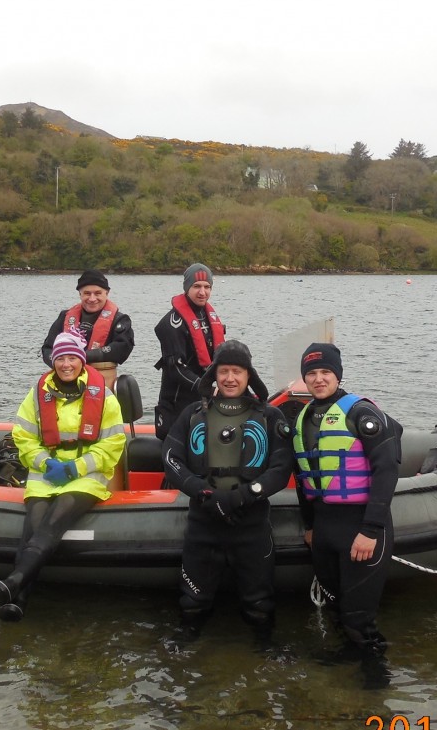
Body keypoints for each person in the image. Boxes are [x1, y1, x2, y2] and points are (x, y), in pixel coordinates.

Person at [162, 340, 294, 644]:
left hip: (250, 520)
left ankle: (263, 643)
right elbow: (171, 458)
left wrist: (244, 495)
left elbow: (280, 467)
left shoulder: (269, 416)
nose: (230, 378)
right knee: (193, 600)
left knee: (259, 603)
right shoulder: (194, 413)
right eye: (224, 371)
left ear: (249, 376)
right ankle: (188, 636)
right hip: (203, 519)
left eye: (237, 371)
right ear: (214, 375)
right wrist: (201, 491)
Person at [0, 330, 126, 622]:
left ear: (81, 360)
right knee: (35, 522)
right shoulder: (37, 394)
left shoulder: (104, 395)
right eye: (60, 358)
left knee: (56, 518)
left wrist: (74, 468)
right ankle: (17, 601)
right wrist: (45, 462)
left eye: (71, 358)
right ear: (53, 361)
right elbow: (24, 436)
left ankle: (15, 582)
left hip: (86, 471)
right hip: (46, 468)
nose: (66, 364)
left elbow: (113, 442)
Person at [292, 342, 402, 666]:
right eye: (311, 373)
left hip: (360, 525)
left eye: (326, 372)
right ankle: (349, 659)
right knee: (337, 604)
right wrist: (310, 526)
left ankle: (375, 682)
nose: (319, 379)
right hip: (326, 527)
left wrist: (370, 529)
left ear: (337, 375)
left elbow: (387, 470)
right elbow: (303, 478)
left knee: (359, 614)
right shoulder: (303, 419)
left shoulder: (360, 412)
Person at [153, 263, 226, 440]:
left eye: (207, 287)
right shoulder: (171, 323)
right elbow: (175, 369)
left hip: (204, 401)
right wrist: (206, 388)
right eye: (197, 286)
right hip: (177, 404)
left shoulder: (210, 318)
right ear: (187, 288)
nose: (202, 292)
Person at [41, 269, 134, 387]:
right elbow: (47, 349)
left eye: (98, 293)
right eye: (87, 293)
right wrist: (64, 363)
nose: (92, 298)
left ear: (107, 293)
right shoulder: (64, 317)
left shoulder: (119, 320)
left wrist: (82, 356)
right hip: (66, 380)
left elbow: (122, 349)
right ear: (80, 294)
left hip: (102, 383)